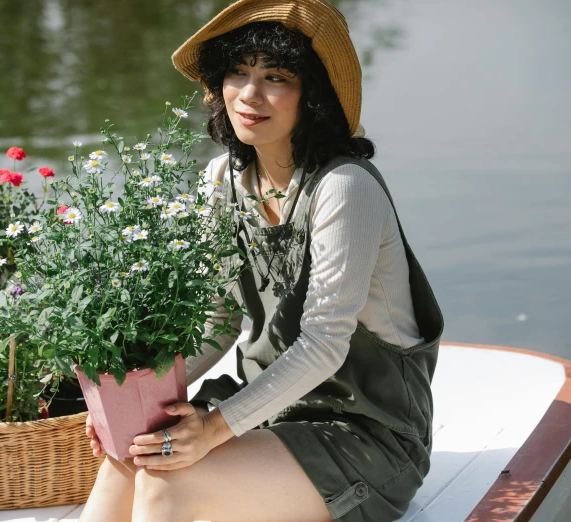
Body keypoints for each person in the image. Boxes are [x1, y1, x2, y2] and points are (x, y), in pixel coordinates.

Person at [81, 1, 443, 521]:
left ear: (312, 95)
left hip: (365, 435)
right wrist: (126, 399)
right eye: (237, 72)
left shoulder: (343, 188)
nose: (250, 94)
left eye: (275, 77)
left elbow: (322, 344)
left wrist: (213, 428)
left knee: (165, 481)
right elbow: (219, 318)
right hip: (269, 408)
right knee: (132, 451)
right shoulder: (223, 179)